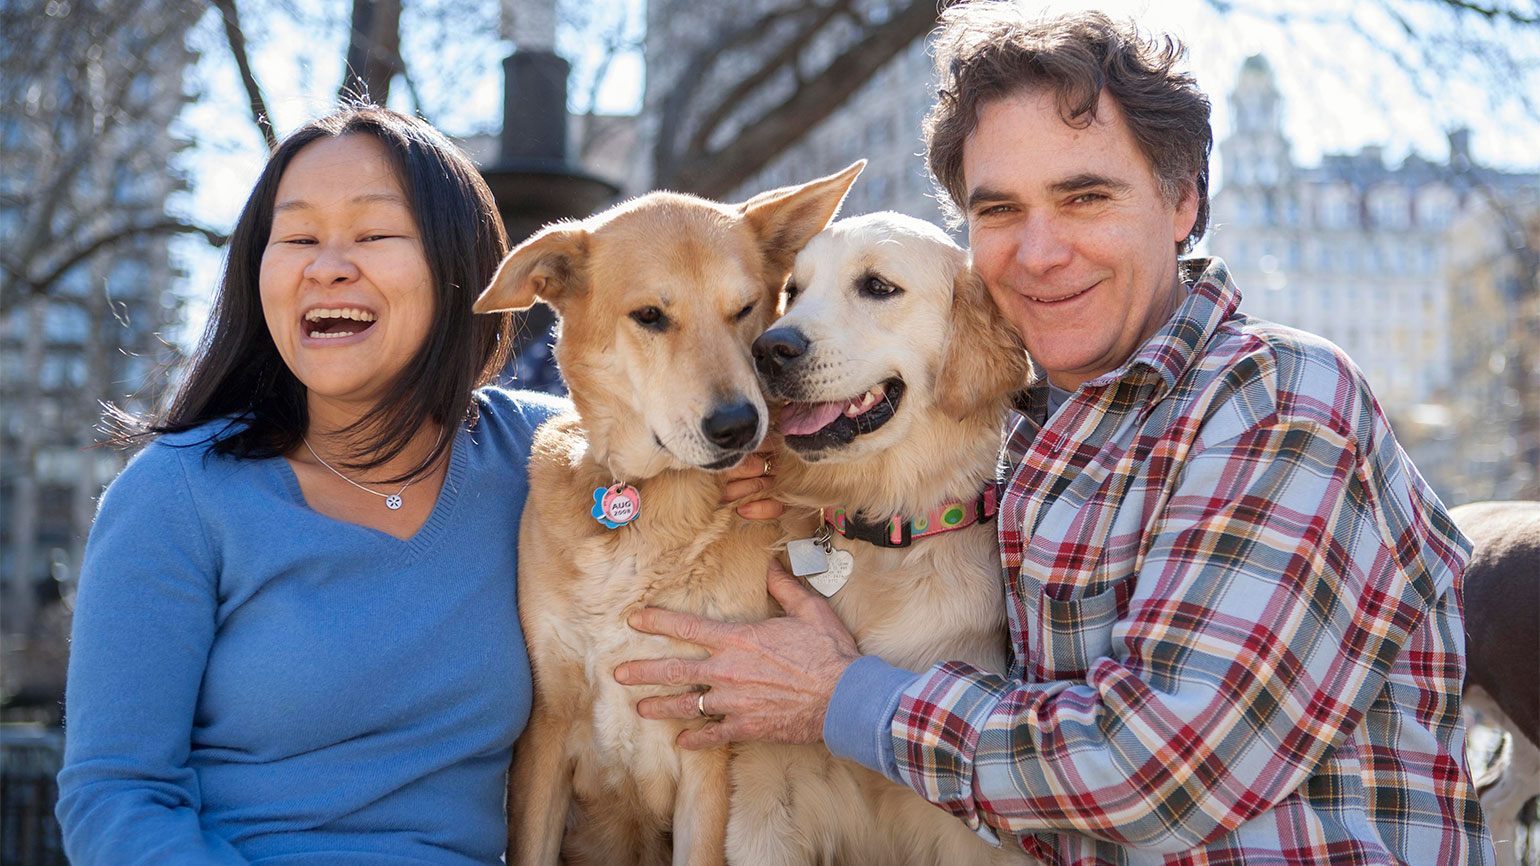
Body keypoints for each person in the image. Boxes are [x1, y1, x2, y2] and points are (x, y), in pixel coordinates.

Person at [613, 4, 1492, 864]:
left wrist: (839, 698)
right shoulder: (1022, 432)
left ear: (1184, 200)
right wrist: (809, 495)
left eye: (1084, 197)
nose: (1038, 253)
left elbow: (1159, 769)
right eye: (998, 212)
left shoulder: (1278, 399)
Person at [55, 105, 570, 865]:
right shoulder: (176, 495)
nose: (325, 265)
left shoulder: (540, 454)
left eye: (372, 234)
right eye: (295, 238)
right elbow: (117, 795)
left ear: (459, 266)